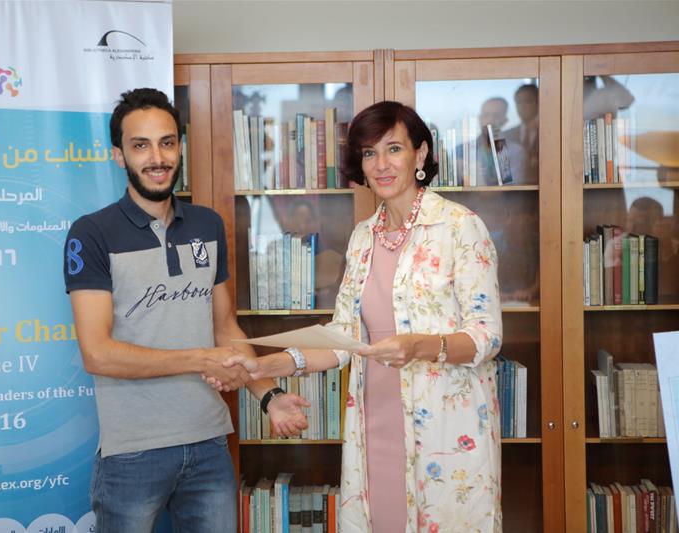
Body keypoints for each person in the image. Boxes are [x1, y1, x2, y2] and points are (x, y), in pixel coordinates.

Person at [212, 101, 503, 532]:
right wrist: (262, 366)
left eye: (393, 149)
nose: (381, 164)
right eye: (369, 153)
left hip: (445, 430)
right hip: (375, 420)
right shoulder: (363, 236)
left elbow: (487, 335)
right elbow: (344, 336)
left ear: (421, 154)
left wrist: (421, 346)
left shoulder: (460, 227)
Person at [63, 88, 309, 533]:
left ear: (179, 147)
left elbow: (225, 328)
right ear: (119, 155)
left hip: (209, 443)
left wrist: (268, 396)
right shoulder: (92, 233)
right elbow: (97, 354)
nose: (157, 158)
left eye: (167, 143)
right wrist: (200, 359)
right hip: (132, 452)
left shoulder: (207, 224)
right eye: (141, 145)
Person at [476, 97, 526, 186]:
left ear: (505, 121)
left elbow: (510, 188)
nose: (490, 120)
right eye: (486, 115)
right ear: (480, 118)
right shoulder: (463, 150)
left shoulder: (516, 152)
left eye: (496, 116)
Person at [504, 84, 539, 184]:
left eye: (527, 101)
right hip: (513, 191)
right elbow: (504, 173)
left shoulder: (550, 133)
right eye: (519, 102)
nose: (522, 106)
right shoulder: (507, 135)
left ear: (538, 103)